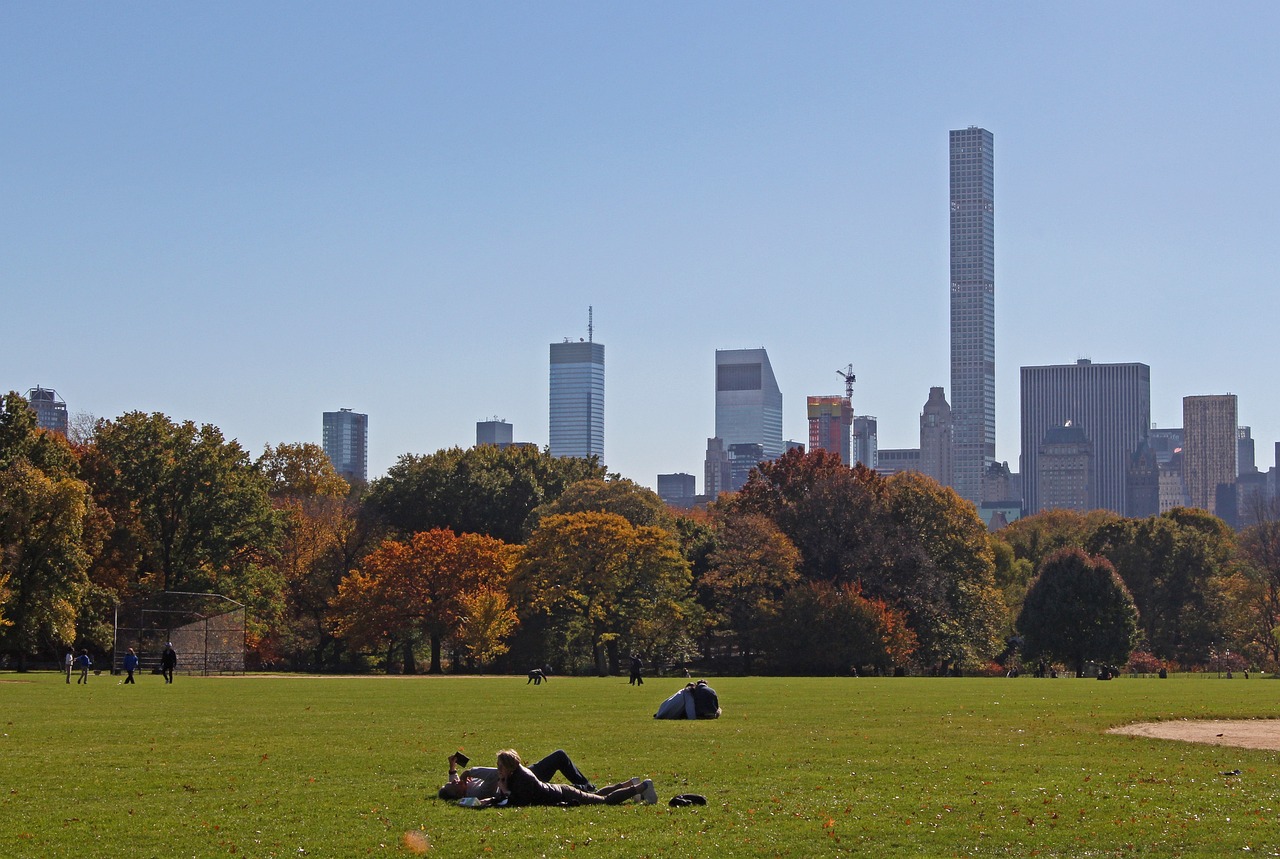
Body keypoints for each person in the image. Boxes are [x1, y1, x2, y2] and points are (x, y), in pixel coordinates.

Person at [486, 750, 655, 807]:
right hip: (562, 792)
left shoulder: (522, 778)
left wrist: (506, 791)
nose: (498, 769)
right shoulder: (514, 775)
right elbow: (505, 799)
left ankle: (643, 787)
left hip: (564, 795)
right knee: (596, 795)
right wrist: (487, 801)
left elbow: (520, 801)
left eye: (500, 766)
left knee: (604, 801)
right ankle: (630, 784)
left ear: (509, 767)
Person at [440, 749, 596, 800]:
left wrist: (452, 766)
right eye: (452, 785)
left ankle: (584, 787)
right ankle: (585, 789)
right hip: (519, 779)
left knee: (560, 757)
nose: (453, 781)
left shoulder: (461, 785)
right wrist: (470, 771)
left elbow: (453, 777)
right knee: (559, 787)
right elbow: (497, 773)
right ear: (459, 794)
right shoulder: (477, 793)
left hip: (521, 773)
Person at [654, 680, 721, 719]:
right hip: (668, 713)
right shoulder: (688, 694)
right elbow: (690, 711)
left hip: (663, 710)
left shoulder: (683, 692)